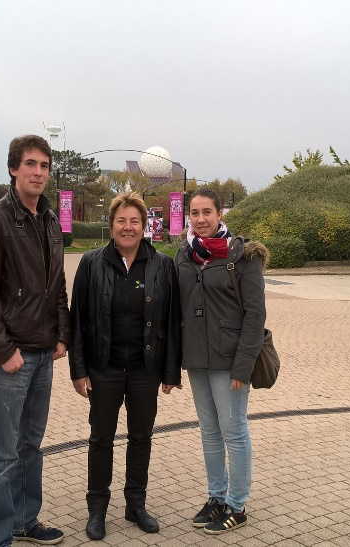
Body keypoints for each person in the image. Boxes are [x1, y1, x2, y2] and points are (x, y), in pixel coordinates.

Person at [0, 135, 70, 546]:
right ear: (13, 168)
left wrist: (62, 335)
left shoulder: (48, 220)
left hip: (44, 354)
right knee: (2, 453)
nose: (38, 172)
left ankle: (25, 521)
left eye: (44, 165)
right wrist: (4, 351)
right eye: (30, 164)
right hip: (14, 358)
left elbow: (57, 285)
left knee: (31, 446)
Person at [69, 192, 182, 540]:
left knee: (141, 437)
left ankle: (135, 504)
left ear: (144, 226)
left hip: (145, 370)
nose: (128, 227)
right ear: (112, 224)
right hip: (103, 368)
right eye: (121, 220)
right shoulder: (91, 262)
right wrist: (79, 369)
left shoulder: (162, 264)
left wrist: (169, 371)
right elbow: (77, 321)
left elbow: (172, 317)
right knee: (101, 439)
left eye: (135, 221)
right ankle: (97, 509)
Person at [174, 187, 267, 535]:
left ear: (220, 214)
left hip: (230, 362)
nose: (200, 220)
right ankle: (216, 498)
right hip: (197, 359)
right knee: (210, 433)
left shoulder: (243, 256)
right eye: (194, 213)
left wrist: (244, 366)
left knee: (234, 432)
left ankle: (237, 505)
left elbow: (255, 316)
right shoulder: (184, 254)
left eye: (207, 213)